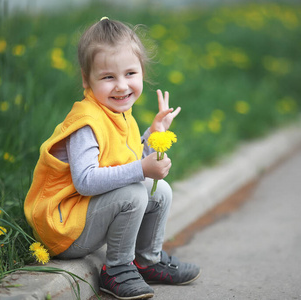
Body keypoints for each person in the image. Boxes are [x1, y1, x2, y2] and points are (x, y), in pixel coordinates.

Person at [23, 17, 201, 299]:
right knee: (133, 192)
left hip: (86, 215)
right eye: (108, 77)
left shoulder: (119, 113)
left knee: (160, 191)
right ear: (86, 78)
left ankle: (146, 262)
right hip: (64, 229)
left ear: (142, 71)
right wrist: (142, 168)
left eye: (130, 73)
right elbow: (86, 181)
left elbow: (122, 161)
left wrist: (152, 133)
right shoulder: (86, 122)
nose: (121, 86)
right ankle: (116, 270)